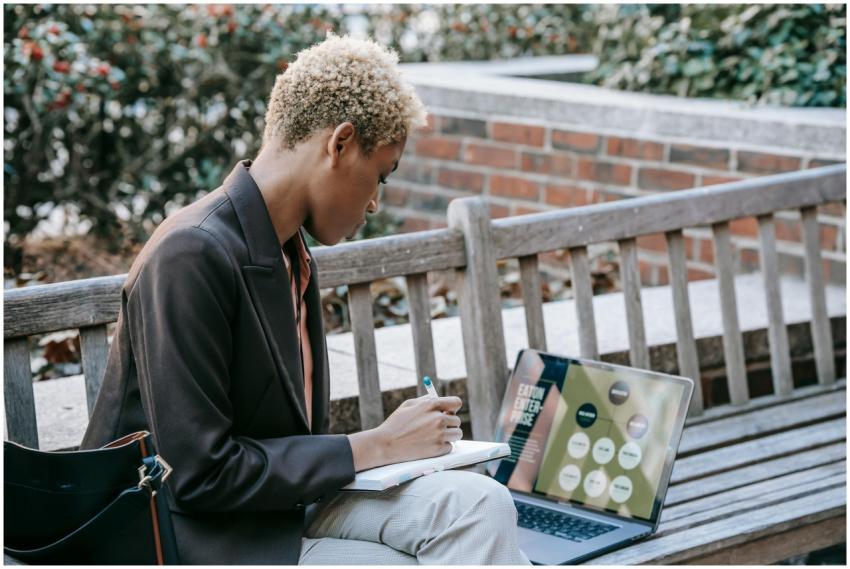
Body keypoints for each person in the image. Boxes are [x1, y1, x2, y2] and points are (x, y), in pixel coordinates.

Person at [80, 32, 530, 565]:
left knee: (481, 505)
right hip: (183, 534)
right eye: (380, 176)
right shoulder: (190, 254)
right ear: (339, 144)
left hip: (278, 509)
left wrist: (392, 451)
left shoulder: (290, 252)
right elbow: (199, 477)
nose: (374, 203)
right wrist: (379, 444)